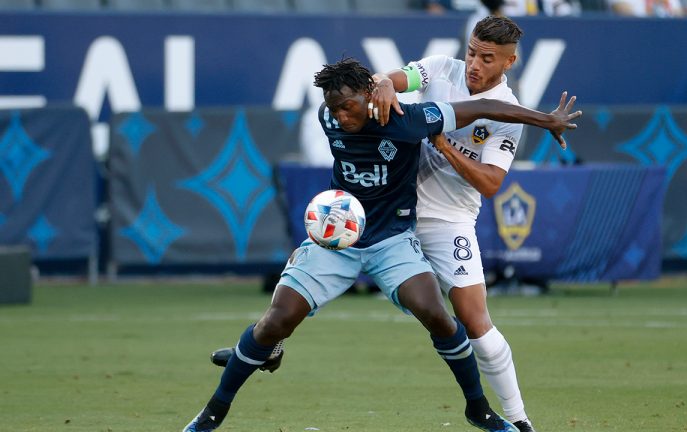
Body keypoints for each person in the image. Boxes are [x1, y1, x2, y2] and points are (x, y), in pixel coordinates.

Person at [186, 57, 580, 432]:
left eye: (347, 106)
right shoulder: (330, 119)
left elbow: (487, 108)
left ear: (368, 97)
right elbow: (354, 101)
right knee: (276, 319)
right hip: (338, 239)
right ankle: (213, 412)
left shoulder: (409, 121)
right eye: (334, 108)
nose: (340, 115)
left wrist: (545, 120)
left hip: (393, 239)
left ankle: (478, 408)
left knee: (437, 314)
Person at [367, 15, 566, 432]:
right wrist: (383, 82)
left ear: (508, 62)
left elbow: (491, 183)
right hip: (393, 209)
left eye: (487, 58)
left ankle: (518, 419)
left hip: (449, 220)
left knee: (475, 320)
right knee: (319, 248)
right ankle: (268, 339)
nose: (474, 63)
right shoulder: (442, 68)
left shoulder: (508, 115)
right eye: (472, 51)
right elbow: (397, 78)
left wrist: (441, 142)